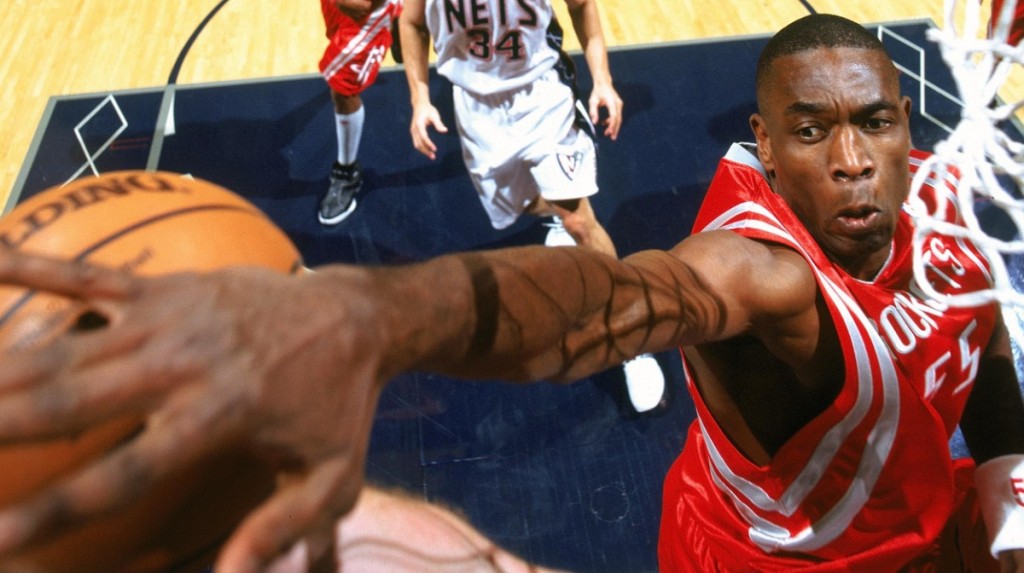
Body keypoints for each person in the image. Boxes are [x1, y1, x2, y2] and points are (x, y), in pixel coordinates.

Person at [0, 12, 1022, 573]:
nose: (852, 161)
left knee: (566, 207)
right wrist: (372, 313)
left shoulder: (935, 192)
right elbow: (611, 299)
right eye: (810, 132)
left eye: (876, 124)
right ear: (764, 143)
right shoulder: (759, 269)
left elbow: (975, 341)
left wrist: (1004, 473)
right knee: (570, 239)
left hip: (924, 522)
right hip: (785, 561)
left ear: (903, 123)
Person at [399, 0, 666, 413]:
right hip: (476, 109)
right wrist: (419, 99)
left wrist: (603, 80)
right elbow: (412, 23)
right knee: (522, 207)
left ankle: (632, 339)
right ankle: (556, 218)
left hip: (542, 94)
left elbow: (581, 7)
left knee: (579, 219)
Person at [317, 0, 403, 226]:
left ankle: (347, 173)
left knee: (342, 88)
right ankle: (401, 24)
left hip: (366, 9)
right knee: (336, 35)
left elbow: (361, 6)